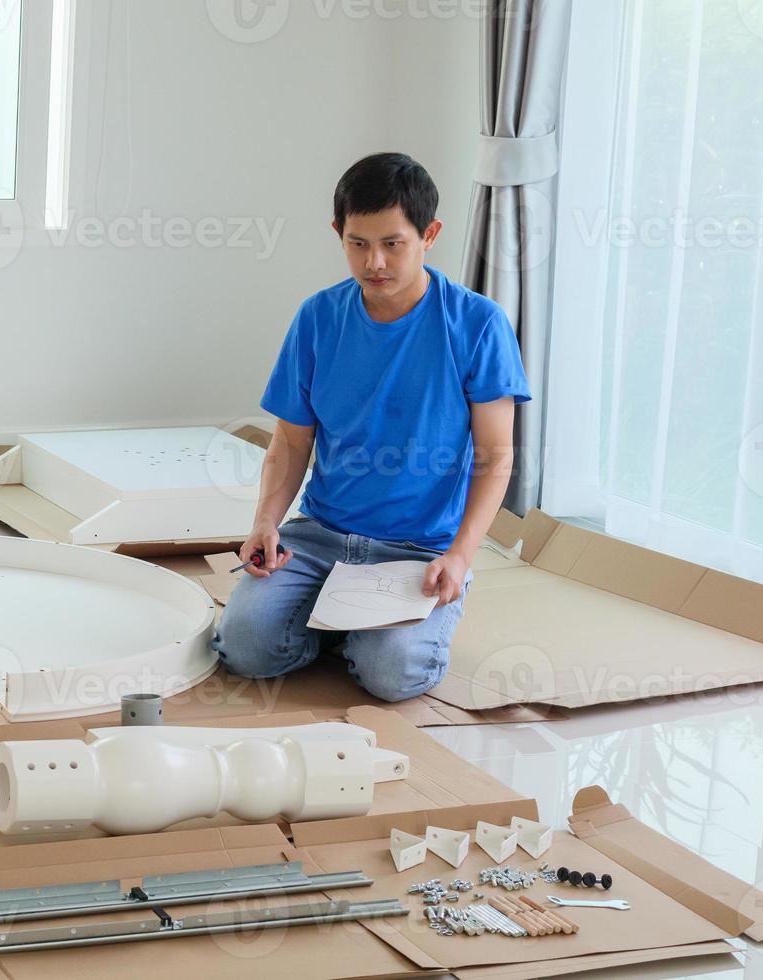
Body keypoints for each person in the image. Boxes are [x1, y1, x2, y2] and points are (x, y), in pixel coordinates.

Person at [212, 152, 532, 702]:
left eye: (393, 243)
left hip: (419, 548)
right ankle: (344, 624)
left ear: (429, 235)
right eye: (357, 243)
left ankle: (362, 626)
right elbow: (291, 441)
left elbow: (495, 456)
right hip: (320, 536)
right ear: (338, 232)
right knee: (243, 648)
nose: (374, 261)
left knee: (393, 676)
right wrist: (266, 522)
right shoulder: (318, 317)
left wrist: (459, 556)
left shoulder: (478, 324)